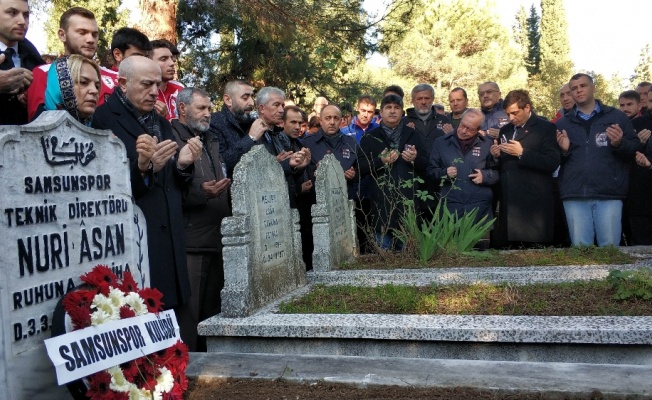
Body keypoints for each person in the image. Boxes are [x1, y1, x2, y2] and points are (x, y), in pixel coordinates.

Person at [91, 56, 202, 347]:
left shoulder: (161, 123)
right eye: (147, 84)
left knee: (172, 321)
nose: (155, 91)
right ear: (123, 83)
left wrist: (183, 165)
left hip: (171, 240)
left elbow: (172, 184)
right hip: (139, 243)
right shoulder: (103, 119)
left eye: (158, 84)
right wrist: (143, 167)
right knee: (143, 322)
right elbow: (105, 189)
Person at [170, 87, 230, 351]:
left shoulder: (210, 139)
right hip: (190, 242)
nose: (208, 114)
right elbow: (169, 189)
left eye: (209, 108)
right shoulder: (171, 137)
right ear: (182, 109)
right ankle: (188, 370)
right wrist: (201, 193)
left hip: (216, 238)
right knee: (189, 317)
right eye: (201, 108)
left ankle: (209, 366)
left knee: (210, 313)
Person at [555, 73, 639, 247]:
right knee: (580, 250)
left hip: (609, 192)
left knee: (609, 250)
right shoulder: (562, 124)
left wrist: (619, 143)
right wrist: (564, 151)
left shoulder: (616, 117)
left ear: (593, 87)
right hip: (575, 194)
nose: (578, 91)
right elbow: (552, 161)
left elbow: (634, 149)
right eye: (574, 88)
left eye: (583, 86)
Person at [490, 90, 560, 247]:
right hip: (510, 203)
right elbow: (504, 164)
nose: (511, 118)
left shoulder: (545, 128)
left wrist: (522, 153)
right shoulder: (505, 130)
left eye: (514, 113)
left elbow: (552, 162)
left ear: (527, 107)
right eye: (508, 114)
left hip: (534, 204)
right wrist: (497, 155)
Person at [359, 94, 427, 250]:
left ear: (402, 113)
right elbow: (360, 168)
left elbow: (427, 165)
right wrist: (381, 161)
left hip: (408, 204)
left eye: (396, 108)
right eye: (388, 108)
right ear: (380, 112)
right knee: (383, 258)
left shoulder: (414, 135)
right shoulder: (369, 138)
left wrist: (414, 159)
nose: (392, 111)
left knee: (409, 257)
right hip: (381, 205)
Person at [428, 109, 498, 225]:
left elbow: (497, 172)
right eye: (462, 125)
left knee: (479, 242)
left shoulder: (487, 144)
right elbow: (431, 171)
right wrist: (444, 173)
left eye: (470, 129)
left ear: (478, 129)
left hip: (479, 206)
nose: (463, 131)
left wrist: (485, 176)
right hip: (451, 204)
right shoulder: (441, 142)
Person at [208, 79, 267, 177]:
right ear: (228, 100)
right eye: (245, 98)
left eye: (252, 97)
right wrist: (250, 138)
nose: (252, 103)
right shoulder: (214, 122)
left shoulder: (252, 122)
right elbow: (221, 164)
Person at [282, 105, 316, 270]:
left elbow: (306, 169)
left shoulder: (301, 143)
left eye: (300, 123)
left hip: (306, 207)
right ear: (282, 123)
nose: (297, 127)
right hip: (289, 208)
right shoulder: (279, 144)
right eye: (293, 122)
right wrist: (297, 189)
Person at [0, 0, 44, 124]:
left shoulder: (35, 58)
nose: (22, 22)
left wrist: (32, 97)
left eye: (26, 15)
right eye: (12, 13)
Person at [35, 55, 100, 125]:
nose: (95, 91)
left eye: (97, 86)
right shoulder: (32, 132)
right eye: (83, 82)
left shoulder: (102, 128)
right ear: (59, 86)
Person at [150, 39, 184, 121]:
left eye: (172, 59)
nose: (172, 63)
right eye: (163, 59)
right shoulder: (139, 92)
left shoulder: (179, 89)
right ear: (148, 62)